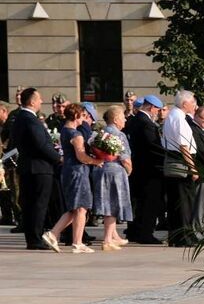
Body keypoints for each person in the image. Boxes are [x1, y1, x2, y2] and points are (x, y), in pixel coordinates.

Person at [44, 103, 104, 253]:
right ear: (76, 116)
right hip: (77, 172)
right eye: (83, 116)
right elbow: (81, 156)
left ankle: (57, 235)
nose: (84, 119)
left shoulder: (65, 130)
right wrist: (97, 161)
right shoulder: (75, 134)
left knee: (75, 208)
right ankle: (74, 241)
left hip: (69, 170)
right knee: (81, 207)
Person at [9, 88, 62, 250]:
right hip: (38, 168)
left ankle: (32, 237)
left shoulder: (20, 117)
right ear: (32, 102)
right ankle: (35, 239)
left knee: (31, 204)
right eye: (38, 99)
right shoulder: (30, 119)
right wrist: (58, 157)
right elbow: (40, 145)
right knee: (38, 204)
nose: (41, 101)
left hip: (28, 167)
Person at [123, 94, 165, 244]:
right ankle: (146, 234)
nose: (158, 113)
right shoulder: (146, 123)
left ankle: (135, 231)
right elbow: (153, 146)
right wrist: (169, 154)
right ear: (151, 107)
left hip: (138, 169)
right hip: (149, 170)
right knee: (149, 203)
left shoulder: (133, 120)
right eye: (157, 110)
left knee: (138, 203)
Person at [91, 105, 133, 250]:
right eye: (123, 117)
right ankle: (108, 240)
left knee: (108, 203)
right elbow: (124, 157)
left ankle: (114, 236)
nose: (125, 120)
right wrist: (129, 169)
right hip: (115, 171)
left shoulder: (99, 133)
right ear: (115, 120)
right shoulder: (119, 135)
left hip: (100, 170)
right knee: (112, 205)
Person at [162, 89, 199, 246]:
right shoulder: (178, 118)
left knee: (175, 201)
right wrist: (193, 168)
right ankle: (184, 237)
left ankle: (175, 236)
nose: (195, 106)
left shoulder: (172, 116)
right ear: (185, 104)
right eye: (193, 102)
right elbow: (184, 146)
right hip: (181, 163)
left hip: (173, 161)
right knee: (184, 202)